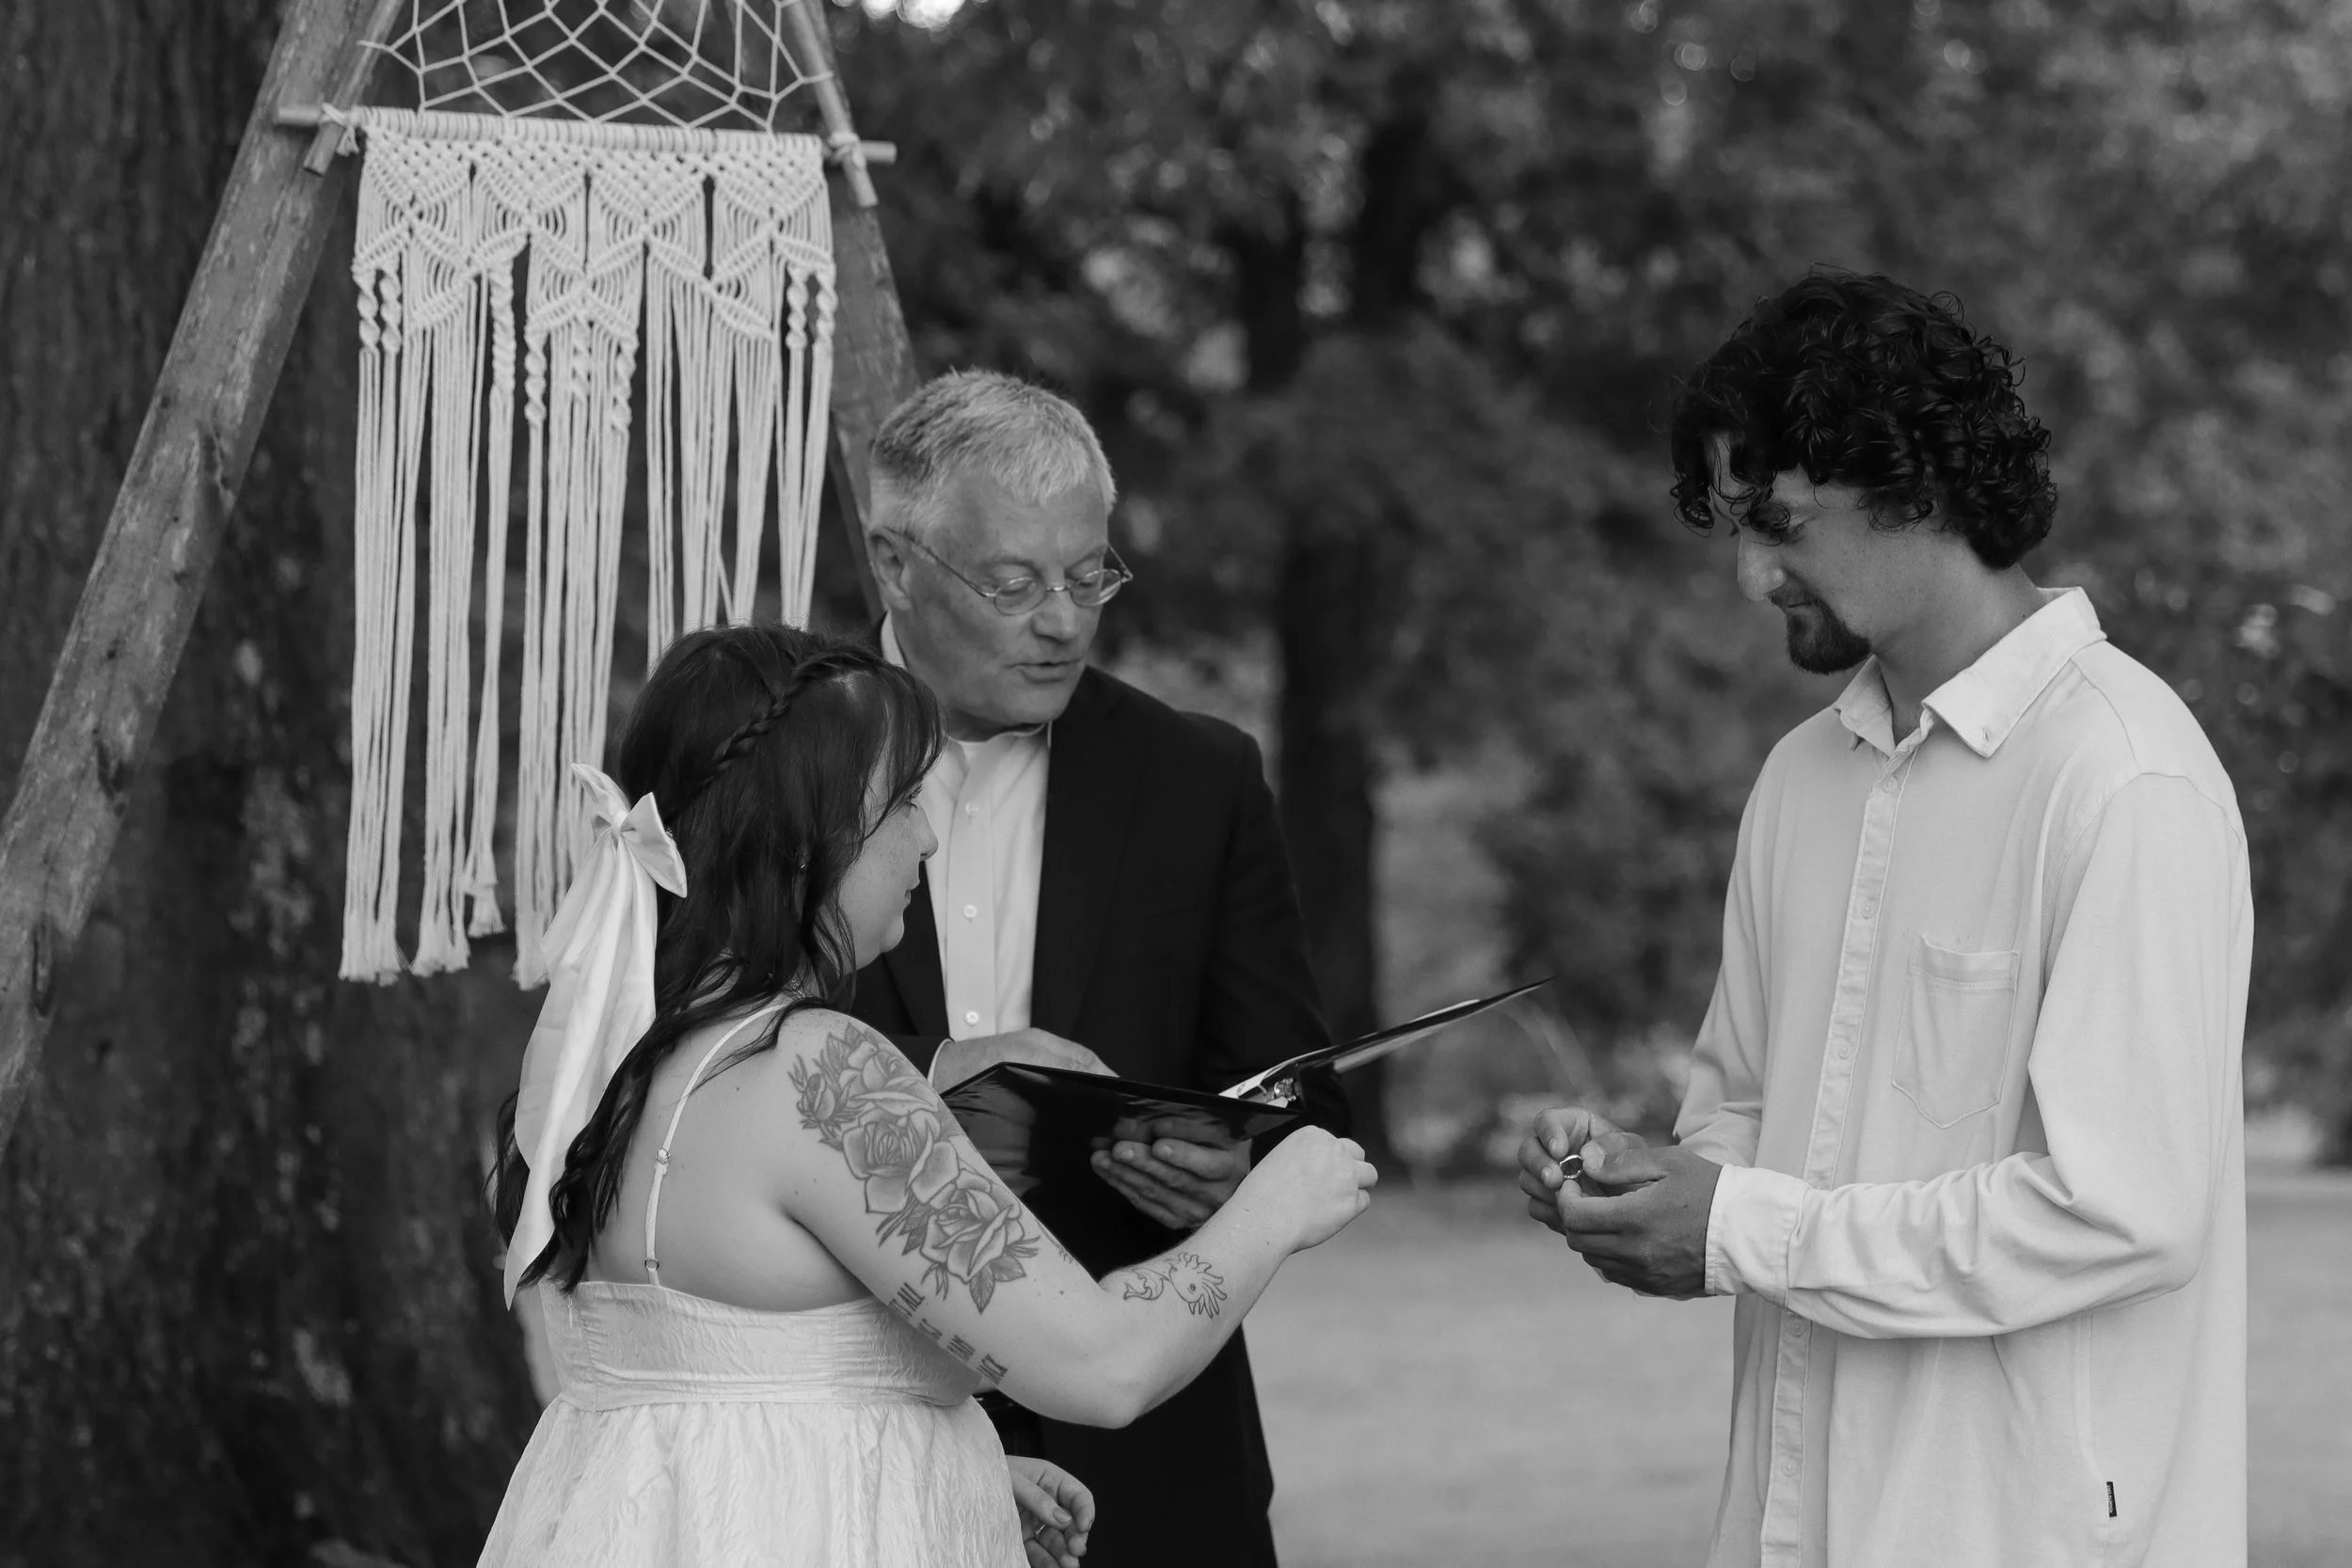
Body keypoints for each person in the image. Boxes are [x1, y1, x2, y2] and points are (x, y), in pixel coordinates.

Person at [1519, 271, 2249, 1568]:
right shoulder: (1804, 776)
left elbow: (2122, 1208)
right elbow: (1740, 1113)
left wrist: (1740, 1223)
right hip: (1787, 1522)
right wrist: (1650, 1182)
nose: (1752, 573)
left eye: (1781, 520)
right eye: (1734, 527)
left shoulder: (2123, 775)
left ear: (1915, 484)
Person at [480, 624, 1377, 1568]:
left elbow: (721, 1393)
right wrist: (1275, 1204)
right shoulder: (820, 1071)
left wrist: (948, 1460)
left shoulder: (601, 1064)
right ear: (802, 840)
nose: (929, 833)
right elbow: (1101, 1361)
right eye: (903, 802)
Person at [848, 369, 1351, 1568]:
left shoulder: (1198, 779)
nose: (1066, 620)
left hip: (1157, 1463)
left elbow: (1304, 1097)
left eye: (1091, 575)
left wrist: (1233, 1159)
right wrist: (948, 1076)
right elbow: (683, 1065)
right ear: (895, 562)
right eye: (1015, 584)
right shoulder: (774, 760)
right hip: (858, 1427)